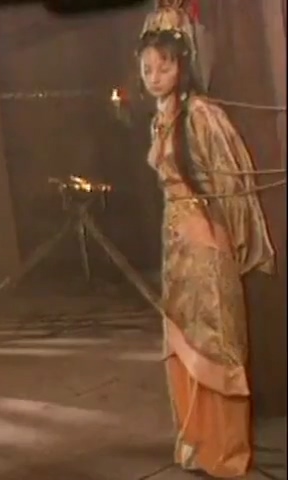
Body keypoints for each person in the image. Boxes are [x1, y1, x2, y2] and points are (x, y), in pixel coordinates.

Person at [137, 4, 275, 478]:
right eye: (147, 69)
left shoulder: (201, 115)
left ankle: (225, 451)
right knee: (184, 340)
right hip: (176, 243)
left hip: (204, 244)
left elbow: (229, 183)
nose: (155, 77)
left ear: (183, 65)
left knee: (214, 341)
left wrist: (227, 239)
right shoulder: (162, 116)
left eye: (164, 66)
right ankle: (196, 444)